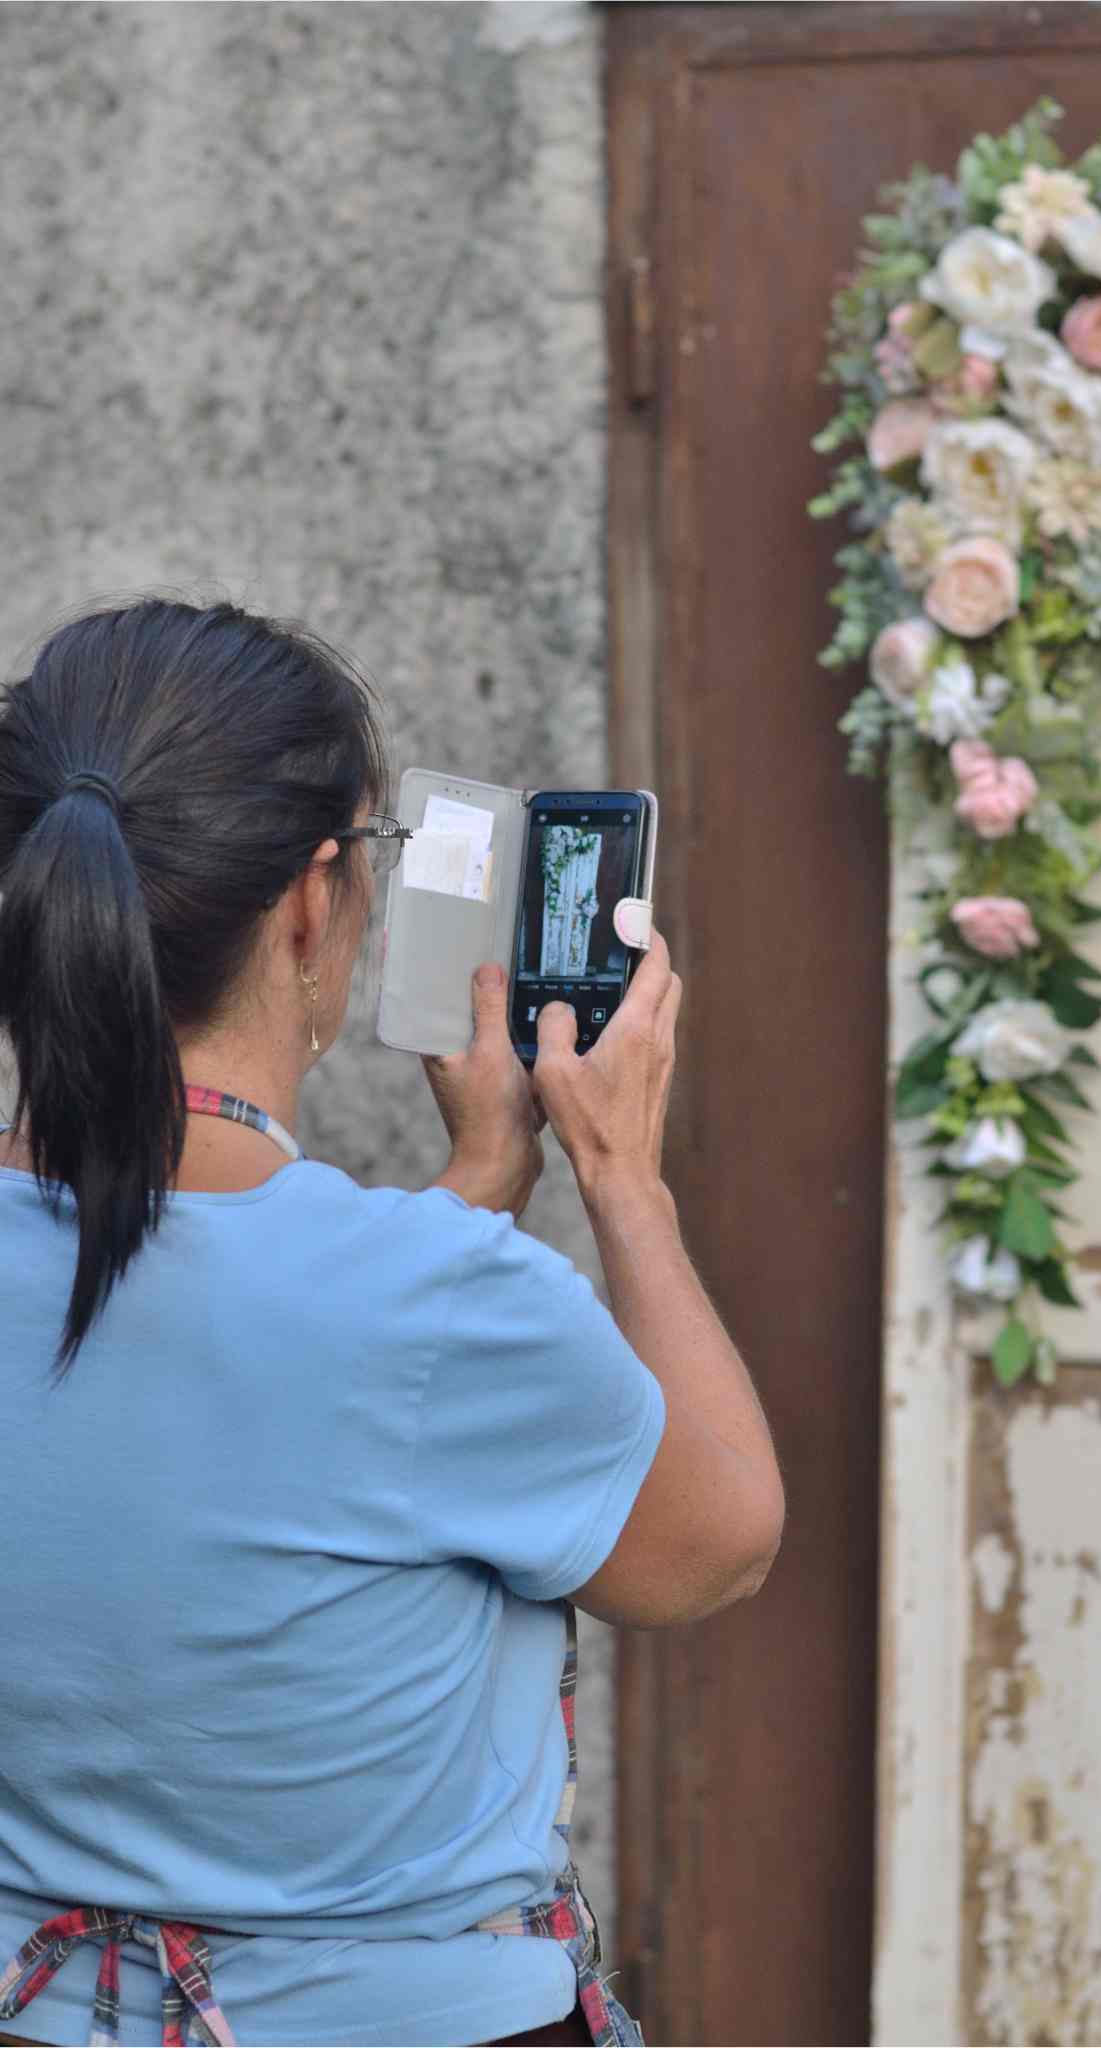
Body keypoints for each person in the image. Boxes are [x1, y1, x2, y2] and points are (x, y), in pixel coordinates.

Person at [0, 597, 785, 2048]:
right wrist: (619, 1178)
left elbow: (241, 1423)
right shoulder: (428, 1306)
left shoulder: (415, 1293)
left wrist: (473, 1192)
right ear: (310, 902)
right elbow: (714, 1546)